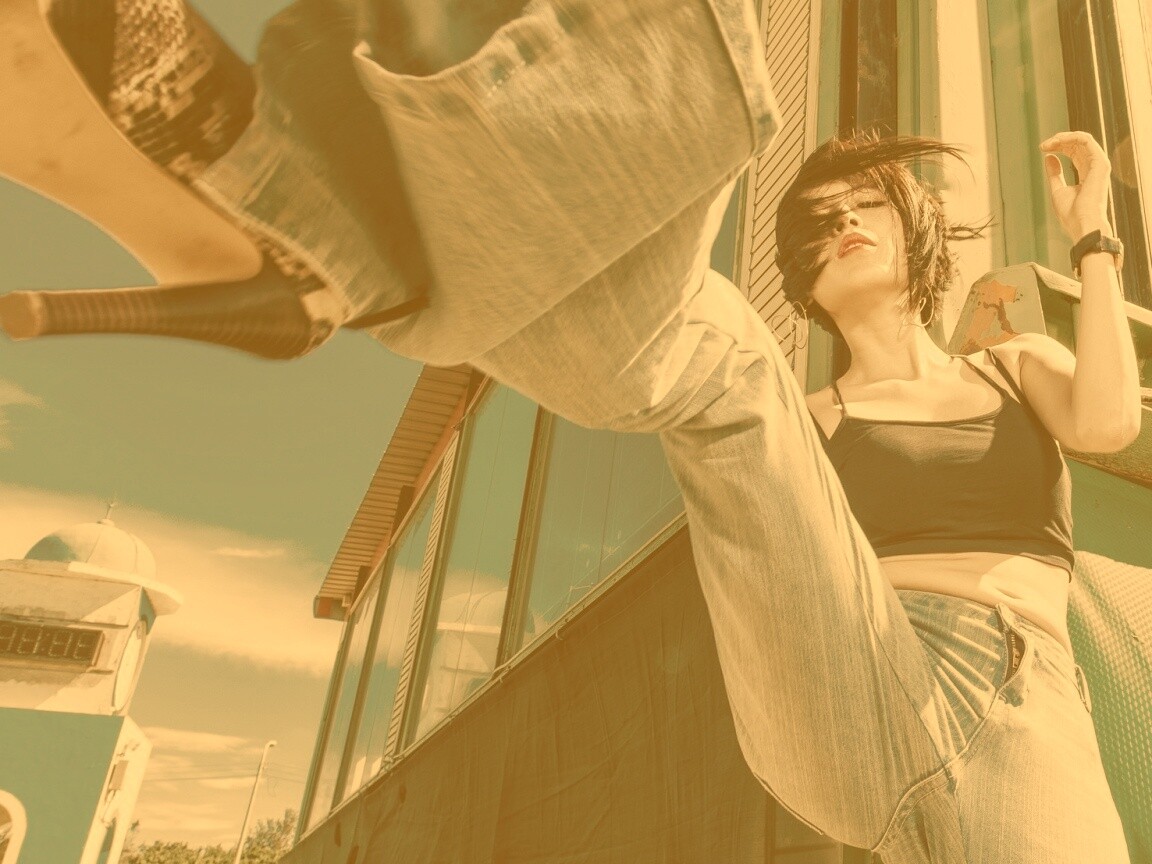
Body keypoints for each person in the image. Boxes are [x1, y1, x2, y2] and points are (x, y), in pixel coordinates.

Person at [0, 1, 1141, 861]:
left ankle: (299, 228)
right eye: (819, 219)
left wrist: (1095, 241)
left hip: (1013, 682)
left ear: (922, 231)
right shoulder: (812, 417)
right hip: (848, 670)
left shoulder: (1008, 366)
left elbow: (1108, 420)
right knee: (726, 370)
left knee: (723, 355)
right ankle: (313, 217)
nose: (841, 223)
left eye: (866, 208)